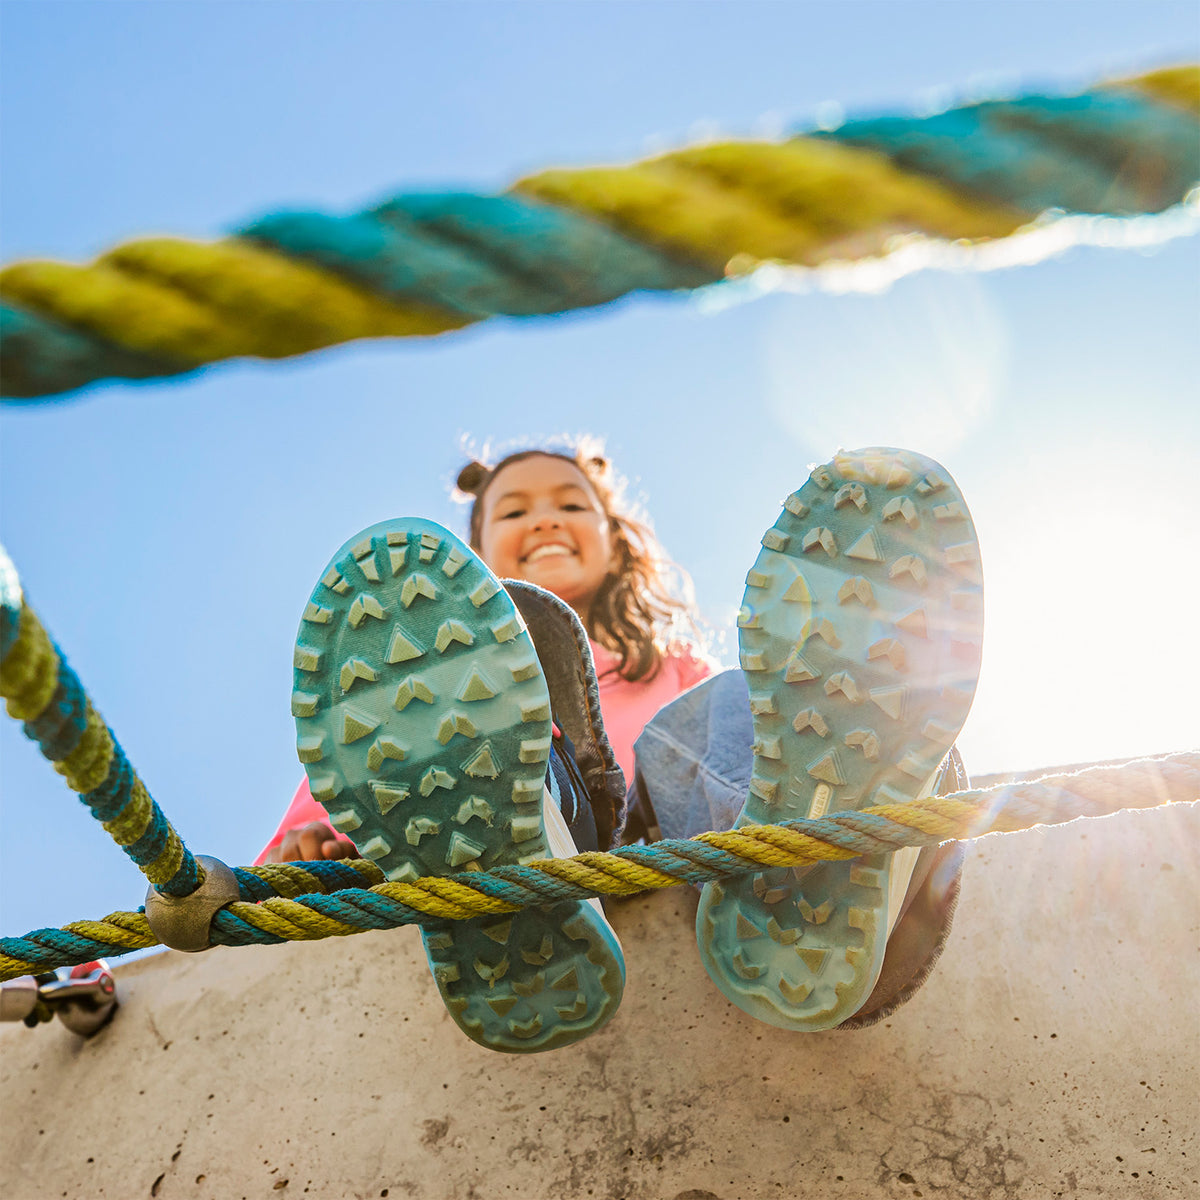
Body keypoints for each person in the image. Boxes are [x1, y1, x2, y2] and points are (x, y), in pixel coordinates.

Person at [263, 440, 982, 1051]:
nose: (544, 516)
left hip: (687, 828)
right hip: (573, 823)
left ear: (615, 536)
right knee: (500, 711)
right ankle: (513, 860)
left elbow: (745, 733)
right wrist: (303, 847)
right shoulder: (411, 685)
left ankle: (804, 867)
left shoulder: (673, 669)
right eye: (514, 511)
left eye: (571, 505)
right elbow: (351, 794)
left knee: (713, 711)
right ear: (474, 553)